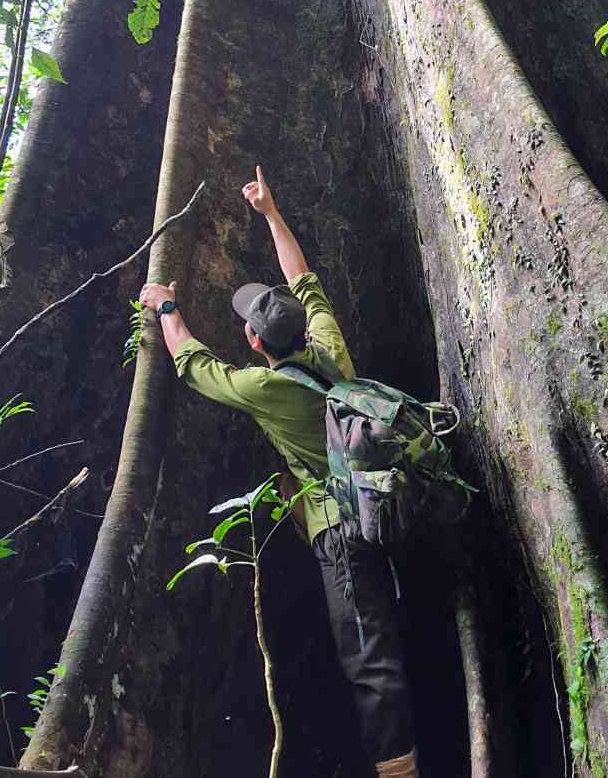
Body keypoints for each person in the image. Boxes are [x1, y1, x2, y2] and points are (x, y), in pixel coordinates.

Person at [139, 166, 420, 778]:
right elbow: (306, 282)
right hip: (392, 498)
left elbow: (193, 365)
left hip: (340, 534)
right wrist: (270, 212)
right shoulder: (329, 349)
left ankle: (399, 771)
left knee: (367, 655)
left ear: (255, 340)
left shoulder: (264, 387)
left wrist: (165, 307)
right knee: (395, 633)